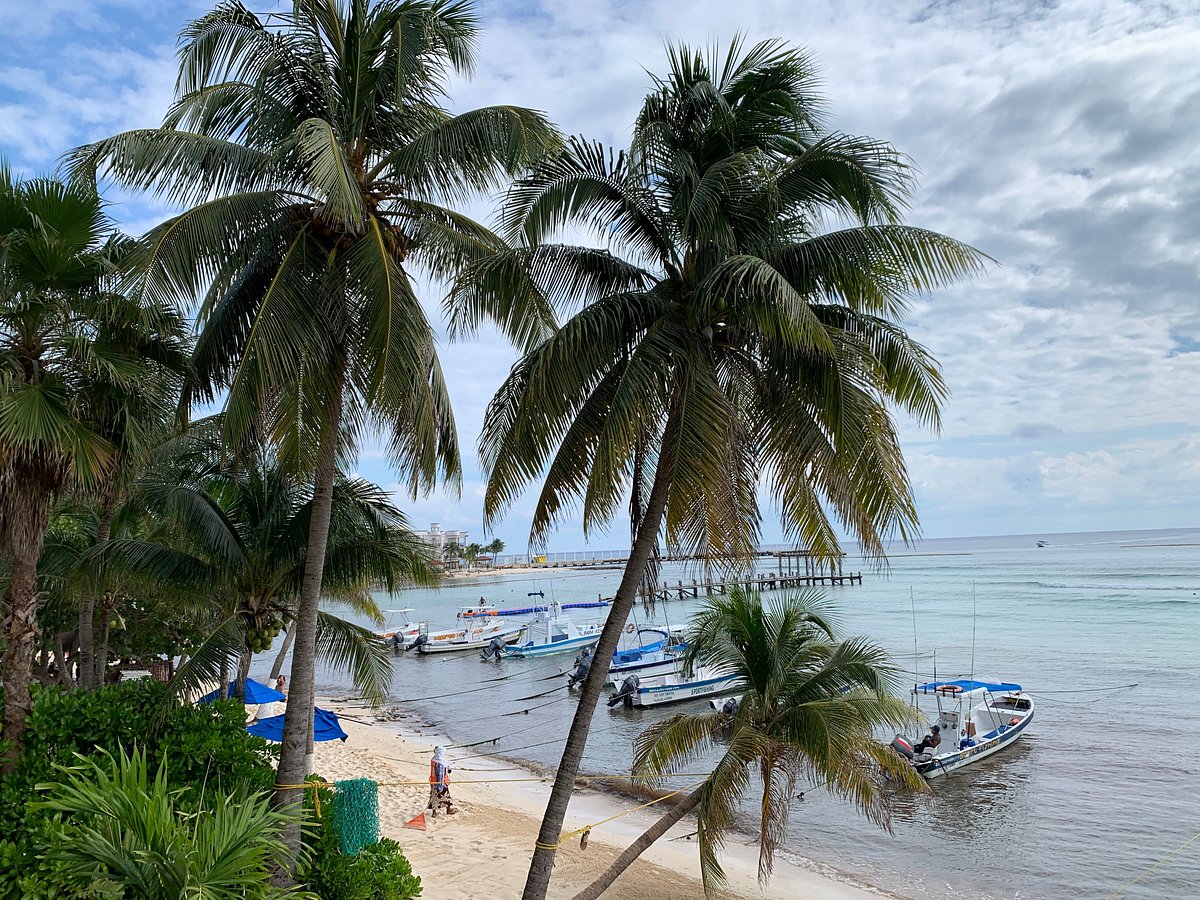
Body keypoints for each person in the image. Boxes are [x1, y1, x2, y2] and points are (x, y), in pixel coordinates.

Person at [427, 746, 457, 817]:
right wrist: (440, 786)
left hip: (433, 782)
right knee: (446, 797)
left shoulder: (435, 759)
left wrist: (449, 769)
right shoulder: (440, 763)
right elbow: (440, 774)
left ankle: (434, 812)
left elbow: (446, 764)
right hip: (440, 783)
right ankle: (448, 810)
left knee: (434, 796)